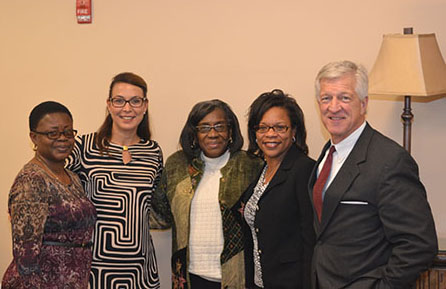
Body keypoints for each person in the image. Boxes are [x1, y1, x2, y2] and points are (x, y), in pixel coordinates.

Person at [310, 60, 438, 289]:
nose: (334, 107)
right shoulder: (327, 155)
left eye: (344, 98)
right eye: (327, 98)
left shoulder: (390, 160)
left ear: (364, 103)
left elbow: (419, 245)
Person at [151, 99, 263, 289]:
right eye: (204, 128)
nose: (213, 134)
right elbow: (160, 216)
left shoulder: (251, 166)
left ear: (230, 131)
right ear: (194, 133)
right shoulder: (177, 165)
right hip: (189, 276)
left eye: (220, 126)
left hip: (238, 277)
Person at [66, 72, 164, 288]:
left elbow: (155, 208)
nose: (127, 109)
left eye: (135, 101)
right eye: (119, 101)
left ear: (145, 105)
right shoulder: (84, 146)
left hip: (140, 271)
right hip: (94, 272)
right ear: (109, 105)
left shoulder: (153, 152)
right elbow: (53, 188)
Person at [2, 101, 96, 289]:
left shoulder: (72, 177)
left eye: (68, 132)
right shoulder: (31, 181)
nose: (62, 138)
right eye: (52, 133)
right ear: (34, 137)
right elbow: (26, 260)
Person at [240, 89, 316, 289]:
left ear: (294, 132)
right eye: (263, 127)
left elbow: (311, 240)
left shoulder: (304, 170)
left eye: (280, 127)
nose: (270, 134)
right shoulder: (262, 170)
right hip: (260, 281)